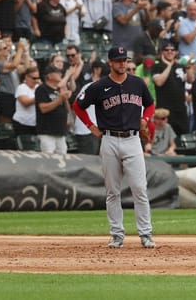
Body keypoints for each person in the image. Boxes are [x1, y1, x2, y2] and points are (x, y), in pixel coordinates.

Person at [73, 46, 156, 249]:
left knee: (139, 189)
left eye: (124, 60)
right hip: (109, 140)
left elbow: (150, 104)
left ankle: (146, 234)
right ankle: (117, 235)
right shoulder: (99, 86)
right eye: (118, 60)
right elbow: (78, 105)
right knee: (112, 191)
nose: (122, 63)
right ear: (110, 62)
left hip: (133, 140)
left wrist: (145, 118)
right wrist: (90, 126)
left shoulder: (137, 83)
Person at [35, 66, 71, 154]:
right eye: (57, 72)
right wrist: (59, 99)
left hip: (60, 131)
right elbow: (43, 108)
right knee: (48, 158)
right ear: (49, 76)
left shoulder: (59, 90)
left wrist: (65, 98)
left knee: (63, 158)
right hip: (47, 132)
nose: (60, 74)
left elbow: (67, 109)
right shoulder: (42, 89)